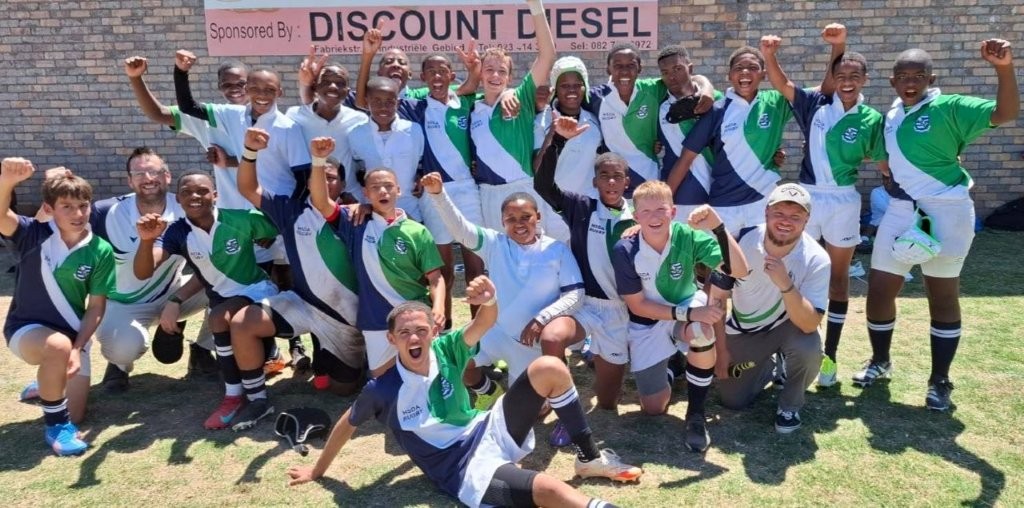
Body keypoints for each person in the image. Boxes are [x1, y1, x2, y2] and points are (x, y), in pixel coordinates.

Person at [286, 277, 643, 507]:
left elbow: (484, 321)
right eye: (405, 333)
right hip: (461, 467)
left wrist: (489, 299)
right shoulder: (383, 389)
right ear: (392, 339)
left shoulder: (446, 349)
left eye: (421, 330)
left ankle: (588, 458)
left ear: (432, 332)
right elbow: (347, 423)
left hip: (487, 428)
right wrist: (318, 471)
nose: (414, 338)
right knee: (549, 490)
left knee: (548, 367)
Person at [857, 40, 1019, 411]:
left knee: (941, 295)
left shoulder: (949, 106)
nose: (910, 82)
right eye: (903, 76)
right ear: (893, 81)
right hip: (902, 209)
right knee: (879, 289)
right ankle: (880, 361)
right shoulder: (892, 114)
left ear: (931, 79)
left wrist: (1003, 67)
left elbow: (1006, 113)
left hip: (948, 211)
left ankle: (939, 380)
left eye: (918, 76)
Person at [760, 24, 887, 387]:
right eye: (840, 75)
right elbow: (782, 84)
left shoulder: (871, 118)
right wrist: (769, 55)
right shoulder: (814, 105)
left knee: (838, 280)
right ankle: (785, 355)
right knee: (792, 272)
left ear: (865, 80)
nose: (847, 82)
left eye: (854, 76)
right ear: (832, 78)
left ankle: (829, 356)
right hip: (808, 197)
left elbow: (884, 162)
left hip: (844, 199)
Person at [172, 50, 312, 371]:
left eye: (269, 90)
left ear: (280, 92)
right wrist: (181, 72)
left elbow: (302, 179)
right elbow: (188, 107)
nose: (261, 95)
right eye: (255, 88)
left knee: (290, 282)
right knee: (255, 286)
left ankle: (298, 346)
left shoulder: (288, 127)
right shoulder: (231, 115)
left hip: (279, 219)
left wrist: (282, 223)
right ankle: (264, 354)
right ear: (246, 89)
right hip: (245, 221)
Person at [423, 171, 584, 444]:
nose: (519, 224)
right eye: (511, 218)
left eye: (525, 217)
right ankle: (488, 391)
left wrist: (542, 318)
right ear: (502, 222)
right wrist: (438, 195)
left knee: (533, 412)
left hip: (530, 344)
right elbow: (460, 229)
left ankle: (553, 408)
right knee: (453, 359)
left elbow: (575, 294)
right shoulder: (494, 243)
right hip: (494, 332)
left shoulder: (557, 250)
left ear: (538, 217)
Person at [224, 131, 367, 430]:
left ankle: (346, 358)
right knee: (242, 322)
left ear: (342, 185)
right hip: (302, 304)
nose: (324, 182)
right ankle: (257, 398)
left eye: (331, 178)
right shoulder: (290, 210)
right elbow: (248, 188)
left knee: (342, 389)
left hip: (344, 319)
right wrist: (249, 150)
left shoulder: (353, 215)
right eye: (319, 175)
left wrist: (366, 206)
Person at [134, 172, 280, 429]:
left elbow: (277, 227)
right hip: (223, 300)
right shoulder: (177, 232)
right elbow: (144, 272)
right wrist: (146, 242)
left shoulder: (241, 219)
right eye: (186, 192)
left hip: (257, 290)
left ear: (215, 195)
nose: (194, 196)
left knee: (218, 317)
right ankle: (243, 393)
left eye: (202, 191)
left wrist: (268, 237)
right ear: (178, 199)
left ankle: (244, 398)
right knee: (221, 319)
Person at [613, 181, 748, 452]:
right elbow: (638, 306)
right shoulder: (625, 249)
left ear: (673, 212)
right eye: (646, 211)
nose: (654, 217)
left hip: (684, 309)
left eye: (661, 209)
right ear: (636, 216)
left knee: (701, 332)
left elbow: (740, 270)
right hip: (648, 320)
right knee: (654, 408)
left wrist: (718, 227)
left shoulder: (687, 236)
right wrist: (690, 313)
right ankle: (675, 365)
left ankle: (696, 415)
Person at [0, 158, 115, 455]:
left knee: (77, 413)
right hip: (26, 329)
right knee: (57, 348)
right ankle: (57, 427)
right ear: (49, 209)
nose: (78, 214)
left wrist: (78, 348)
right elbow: (1, 215)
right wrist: (8, 181)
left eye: (83, 206)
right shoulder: (32, 234)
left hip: (73, 335)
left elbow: (96, 307)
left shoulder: (100, 249)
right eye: (67, 206)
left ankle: (45, 384)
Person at [90, 148, 217, 391]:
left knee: (229, 286)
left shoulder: (187, 205)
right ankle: (119, 365)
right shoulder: (105, 212)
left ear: (167, 176)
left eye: (154, 172)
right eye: (139, 173)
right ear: (129, 180)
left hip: (173, 293)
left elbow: (215, 264)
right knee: (123, 349)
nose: (148, 178)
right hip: (124, 302)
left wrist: (176, 300)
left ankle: (203, 351)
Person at [534, 117, 635, 412]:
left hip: (619, 311)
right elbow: (542, 184)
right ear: (595, 181)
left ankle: (602, 363)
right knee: (552, 337)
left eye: (617, 176)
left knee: (607, 403)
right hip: (583, 305)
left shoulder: (640, 217)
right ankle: (563, 402)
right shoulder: (581, 208)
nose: (611, 182)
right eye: (604, 176)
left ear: (627, 182)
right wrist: (559, 140)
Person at [311, 164, 445, 378]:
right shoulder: (354, 222)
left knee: (428, 378)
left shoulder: (418, 231)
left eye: (388, 186)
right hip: (376, 320)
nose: (383, 191)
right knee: (382, 383)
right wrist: (318, 160)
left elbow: (435, 277)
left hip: (416, 319)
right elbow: (320, 202)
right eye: (375, 187)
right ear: (365, 193)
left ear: (398, 190)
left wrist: (438, 307)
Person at [715, 183, 830, 433]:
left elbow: (810, 323)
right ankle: (769, 367)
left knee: (808, 347)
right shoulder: (740, 241)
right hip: (746, 329)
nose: (786, 221)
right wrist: (720, 349)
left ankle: (789, 405)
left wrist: (785, 284)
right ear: (766, 212)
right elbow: (717, 299)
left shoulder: (817, 258)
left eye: (795, 216)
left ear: (807, 219)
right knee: (732, 400)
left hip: (790, 325)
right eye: (779, 213)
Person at [468, 0, 570, 243]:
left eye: (502, 71)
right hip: (487, 194)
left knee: (533, 250)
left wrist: (536, 6)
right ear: (480, 74)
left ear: (510, 78)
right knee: (498, 254)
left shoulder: (520, 98)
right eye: (489, 69)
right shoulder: (471, 107)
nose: (495, 75)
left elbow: (547, 55)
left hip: (522, 188)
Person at [667, 46, 794, 234]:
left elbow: (821, 93)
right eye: (738, 68)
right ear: (729, 75)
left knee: (762, 254)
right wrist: (664, 202)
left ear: (764, 75)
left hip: (763, 202)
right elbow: (686, 159)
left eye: (753, 67)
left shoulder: (776, 102)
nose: (745, 72)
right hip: (724, 205)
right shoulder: (717, 110)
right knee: (721, 254)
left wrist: (836, 46)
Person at [586, 43, 714, 196]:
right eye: (618, 65)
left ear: (639, 68)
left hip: (649, 182)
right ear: (608, 69)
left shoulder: (652, 89)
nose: (624, 71)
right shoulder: (596, 97)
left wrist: (707, 88)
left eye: (631, 65)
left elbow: (689, 78)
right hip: (614, 187)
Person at [656, 44, 721, 221]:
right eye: (665, 72)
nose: (671, 76)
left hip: (717, 191)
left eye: (677, 69)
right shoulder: (660, 107)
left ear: (690, 68)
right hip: (679, 195)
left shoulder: (716, 100)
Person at [288, 48, 368, 189]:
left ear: (348, 91)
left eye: (340, 83)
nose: (333, 86)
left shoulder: (359, 120)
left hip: (349, 195)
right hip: (308, 196)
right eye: (326, 81)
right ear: (315, 87)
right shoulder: (295, 116)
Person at [533, 56, 604, 200]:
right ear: (555, 89)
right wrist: (554, 134)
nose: (572, 90)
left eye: (577, 85)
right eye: (564, 86)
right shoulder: (542, 120)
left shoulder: (594, 120)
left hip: (586, 202)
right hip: (551, 205)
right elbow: (537, 168)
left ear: (585, 87)